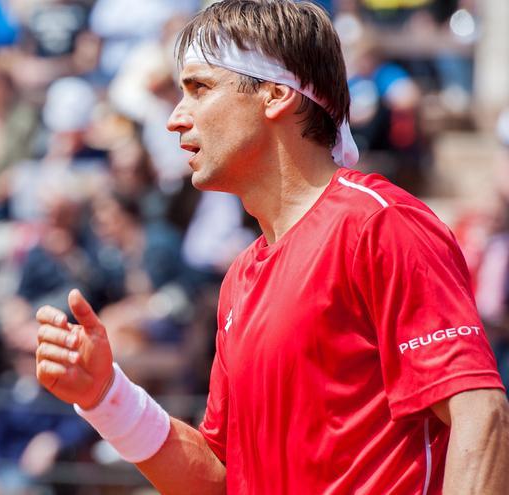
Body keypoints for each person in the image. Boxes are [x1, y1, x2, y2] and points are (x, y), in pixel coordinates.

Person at [33, 1, 509, 494]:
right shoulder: (240, 277)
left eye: (199, 88)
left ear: (276, 93)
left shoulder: (380, 223)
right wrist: (106, 396)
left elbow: (480, 414)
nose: (175, 119)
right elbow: (218, 478)